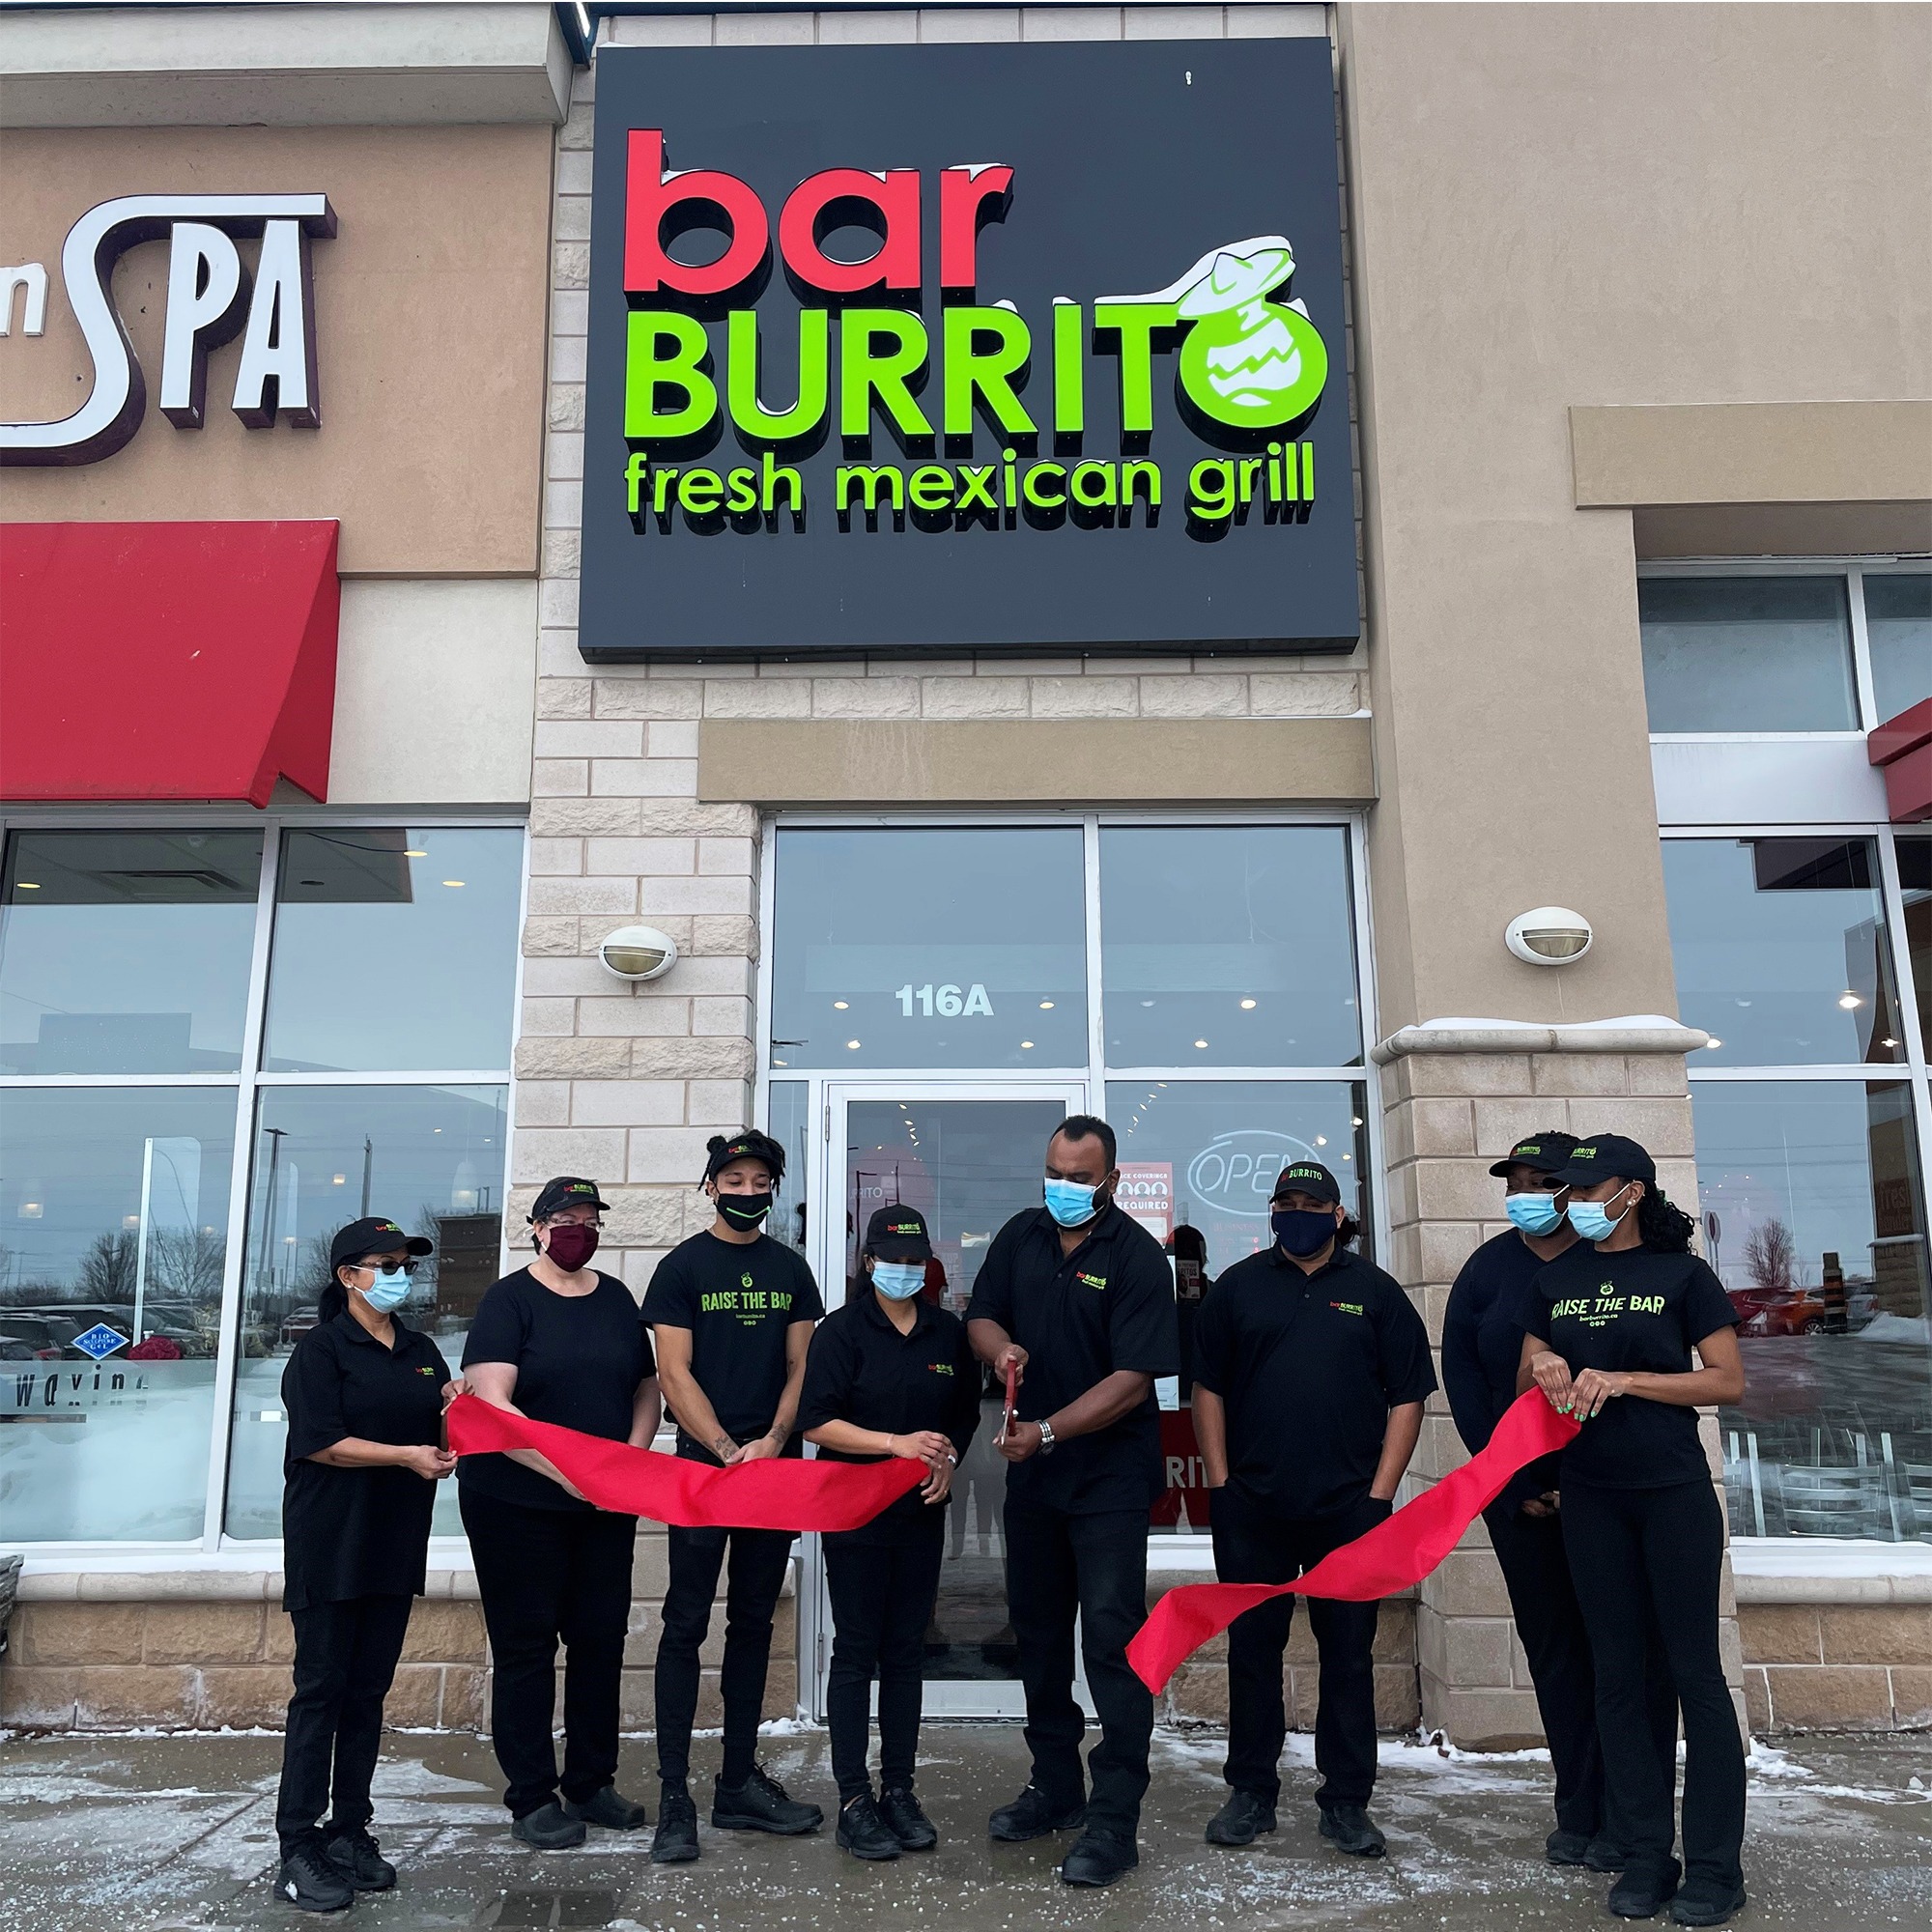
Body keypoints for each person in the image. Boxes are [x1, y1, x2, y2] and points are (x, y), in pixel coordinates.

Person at [1519, 1133, 1748, 1928]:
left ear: (1632, 1192)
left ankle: (1716, 1868)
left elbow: (1728, 1381)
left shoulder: (1683, 1275)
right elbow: (1528, 1373)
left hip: (1672, 1495)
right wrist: (1543, 1366)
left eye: (1589, 1190)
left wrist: (1628, 1380)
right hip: (1591, 1498)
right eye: (1570, 1191)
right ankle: (1647, 1854)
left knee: (1694, 1676)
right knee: (1615, 1677)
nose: (1575, 1203)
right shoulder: (1555, 1279)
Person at [1190, 1159, 1435, 1860]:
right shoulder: (1237, 1288)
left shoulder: (1375, 1292)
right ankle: (1251, 1793)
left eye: (1311, 1204)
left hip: (1348, 1511)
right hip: (1253, 1507)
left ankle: (1347, 1802)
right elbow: (1207, 1390)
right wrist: (1222, 1485)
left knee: (1349, 1656)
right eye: (1286, 1202)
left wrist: (1380, 1496)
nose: (1297, 1214)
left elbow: (1408, 1396)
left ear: (1337, 1215)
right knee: (1252, 1652)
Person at [966, 1114, 1179, 1889]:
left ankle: (1114, 1819)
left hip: (1108, 1484)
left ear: (1111, 1181)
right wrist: (1001, 1348)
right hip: (1036, 1482)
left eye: (1080, 1178)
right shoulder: (1021, 1235)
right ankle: (1055, 1788)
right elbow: (980, 1313)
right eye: (1054, 1172)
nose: (1063, 1187)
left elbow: (1133, 1378)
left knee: (1113, 1647)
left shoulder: (1138, 1258)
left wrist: (1049, 1430)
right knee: (1040, 1638)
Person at [458, 1177, 661, 1849]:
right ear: (538, 1228)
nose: (580, 1230)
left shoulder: (617, 1299)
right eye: (566, 1218)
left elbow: (645, 1387)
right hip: (517, 1500)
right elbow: (494, 1406)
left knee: (600, 1640)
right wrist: (573, 1475)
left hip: (605, 1501)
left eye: (590, 1219)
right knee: (527, 1645)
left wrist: (627, 1464)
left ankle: (591, 1782)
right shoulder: (508, 1300)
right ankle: (532, 1797)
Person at [642, 1130, 827, 1862]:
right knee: (685, 1624)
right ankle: (675, 1798)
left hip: (770, 1471)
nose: (747, 1192)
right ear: (712, 1186)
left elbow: (803, 1366)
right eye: (734, 1181)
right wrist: (725, 1450)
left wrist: (774, 1441)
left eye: (760, 1182)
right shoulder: (681, 1267)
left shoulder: (791, 1269)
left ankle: (738, 1781)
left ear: (773, 1189)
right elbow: (673, 1373)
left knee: (752, 1623)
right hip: (703, 1468)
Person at [1443, 1129, 1620, 1866]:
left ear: (1575, 1188)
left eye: (1539, 1182)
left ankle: (1629, 1816)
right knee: (1555, 1654)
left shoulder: (1613, 1263)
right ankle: (1578, 1811)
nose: (1523, 1195)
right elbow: (1465, 1385)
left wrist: (1579, 1483)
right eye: (1512, 1184)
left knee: (1618, 1653)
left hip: (1610, 1496)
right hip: (1518, 1499)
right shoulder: (1486, 1271)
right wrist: (1514, 1483)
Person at [272, 1216, 455, 1914]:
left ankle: (349, 1830)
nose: (400, 1275)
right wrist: (406, 1456)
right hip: (330, 1541)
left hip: (393, 1542)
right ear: (348, 1276)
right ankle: (298, 1845)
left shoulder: (420, 1350)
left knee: (368, 1692)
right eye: (386, 1263)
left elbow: (437, 1432)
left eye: (406, 1263)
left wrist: (457, 1412)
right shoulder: (320, 1351)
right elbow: (321, 1441)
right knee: (321, 1690)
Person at [799, 1205, 980, 1861]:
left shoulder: (946, 1333)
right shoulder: (841, 1332)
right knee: (856, 1652)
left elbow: (963, 1416)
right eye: (893, 1259)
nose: (904, 1270)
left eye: (915, 1260)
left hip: (919, 1515)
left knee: (906, 1652)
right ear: (869, 1261)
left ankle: (898, 1790)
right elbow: (816, 1421)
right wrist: (894, 1444)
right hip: (854, 1514)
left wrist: (947, 1460)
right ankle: (854, 1801)